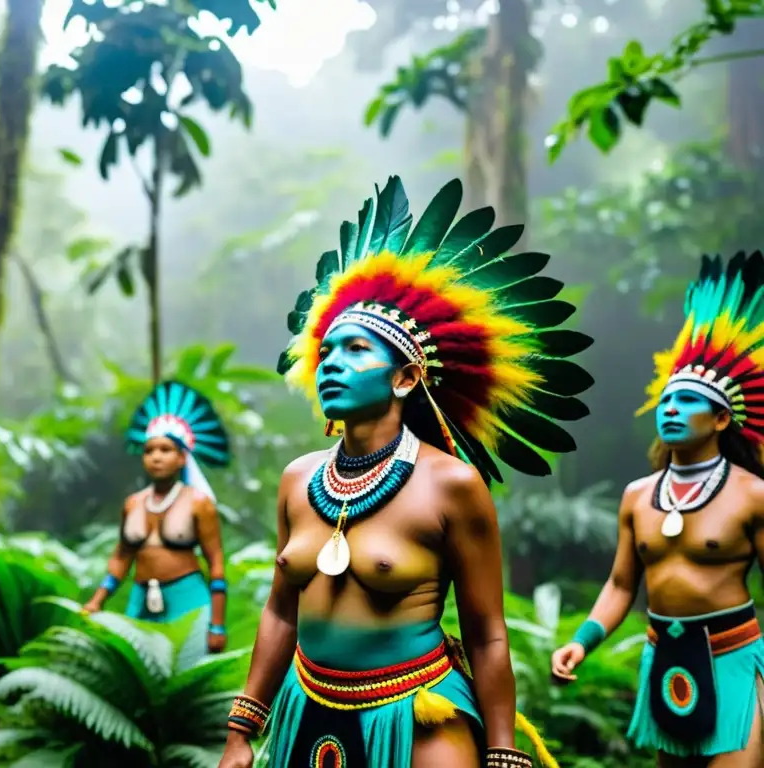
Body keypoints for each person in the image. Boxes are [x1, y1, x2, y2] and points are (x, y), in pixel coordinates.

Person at [219, 176, 592, 768]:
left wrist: (502, 753)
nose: (332, 365)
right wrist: (243, 730)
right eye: (329, 351)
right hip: (304, 709)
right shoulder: (297, 480)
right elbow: (280, 610)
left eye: (357, 352)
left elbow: (487, 632)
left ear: (405, 378)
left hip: (418, 715)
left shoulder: (451, 486)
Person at [551, 251, 764, 767]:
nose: (670, 409)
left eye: (687, 401)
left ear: (720, 420)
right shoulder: (638, 496)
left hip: (733, 658)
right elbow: (623, 585)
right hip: (664, 658)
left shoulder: (751, 493)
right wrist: (582, 641)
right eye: (665, 400)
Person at [83, 380, 231, 660]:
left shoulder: (199, 504)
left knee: (189, 677)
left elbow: (216, 562)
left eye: (165, 450)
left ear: (181, 458)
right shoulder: (133, 503)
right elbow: (121, 557)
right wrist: (96, 601)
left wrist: (217, 624)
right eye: (149, 450)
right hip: (141, 600)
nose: (155, 457)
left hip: (188, 598)